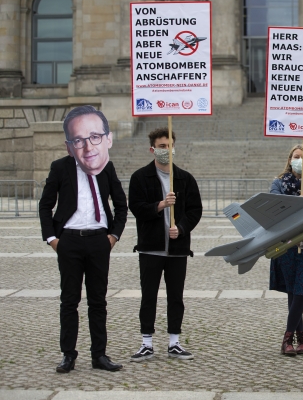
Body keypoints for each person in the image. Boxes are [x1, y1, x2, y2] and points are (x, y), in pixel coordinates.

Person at [39, 105, 127, 373]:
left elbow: (121, 205)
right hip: (70, 242)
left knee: (98, 301)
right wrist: (53, 239)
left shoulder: (107, 168)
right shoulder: (60, 168)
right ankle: (68, 354)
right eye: (78, 140)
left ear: (106, 139)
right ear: (69, 146)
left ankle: (99, 355)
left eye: (94, 137)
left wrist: (113, 236)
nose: (87, 146)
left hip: (99, 240)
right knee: (69, 301)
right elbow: (45, 205)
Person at [128, 128, 203, 362]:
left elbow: (195, 210)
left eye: (169, 145)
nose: (166, 150)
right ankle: (146, 342)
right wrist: (160, 205)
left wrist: (180, 228)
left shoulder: (185, 178)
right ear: (152, 149)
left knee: (176, 297)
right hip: (150, 248)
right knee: (148, 296)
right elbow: (136, 207)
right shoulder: (140, 177)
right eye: (161, 146)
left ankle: (174, 342)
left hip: (177, 250)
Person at [269, 144, 303, 356]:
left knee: (301, 289)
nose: (299, 160)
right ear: (290, 159)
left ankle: (288, 336)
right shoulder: (279, 183)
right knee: (292, 290)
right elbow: (274, 207)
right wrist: (294, 205)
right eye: (296, 156)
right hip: (286, 244)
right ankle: (300, 336)